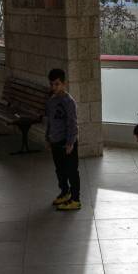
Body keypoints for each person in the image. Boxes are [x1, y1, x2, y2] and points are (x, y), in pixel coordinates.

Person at [45, 68, 81, 210]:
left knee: (72, 171)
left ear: (64, 83)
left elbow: (72, 123)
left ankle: (75, 199)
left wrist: (70, 142)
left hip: (67, 143)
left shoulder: (68, 101)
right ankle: (65, 192)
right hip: (55, 141)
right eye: (52, 84)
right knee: (60, 170)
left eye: (57, 84)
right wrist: (48, 137)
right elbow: (50, 121)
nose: (54, 87)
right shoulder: (51, 101)